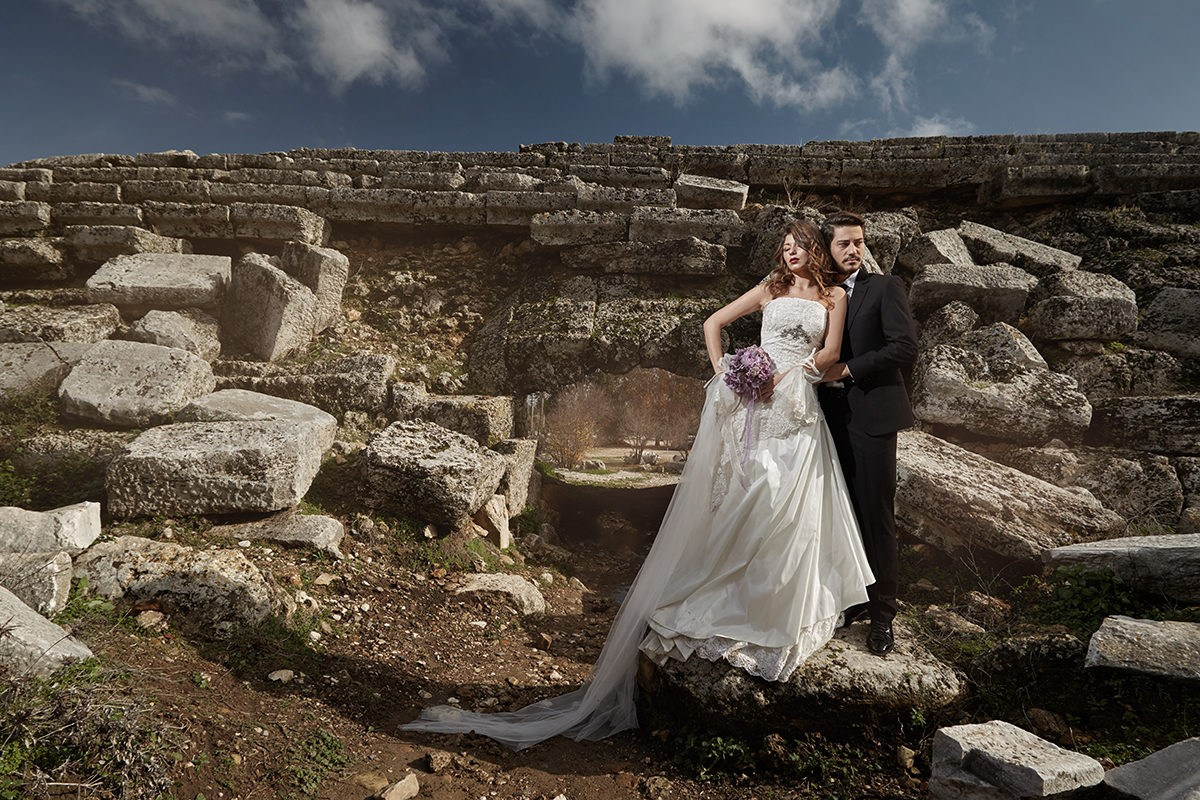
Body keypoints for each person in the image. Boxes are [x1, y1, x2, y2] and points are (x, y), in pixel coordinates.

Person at [400, 220, 873, 749]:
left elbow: (830, 352)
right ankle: (731, 590)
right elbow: (714, 323)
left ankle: (775, 601)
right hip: (752, 406)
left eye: (797, 247)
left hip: (795, 402)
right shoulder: (769, 289)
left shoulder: (834, 296)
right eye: (783, 248)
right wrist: (728, 371)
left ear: (814, 249)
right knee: (748, 491)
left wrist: (788, 376)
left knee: (785, 499)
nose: (789, 255)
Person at [816, 211, 918, 657]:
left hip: (872, 416)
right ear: (827, 248)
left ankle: (882, 615)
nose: (854, 250)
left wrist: (848, 369)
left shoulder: (885, 287)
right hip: (823, 419)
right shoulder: (816, 292)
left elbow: (904, 347)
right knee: (837, 513)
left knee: (876, 516)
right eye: (844, 243)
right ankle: (849, 599)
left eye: (859, 242)